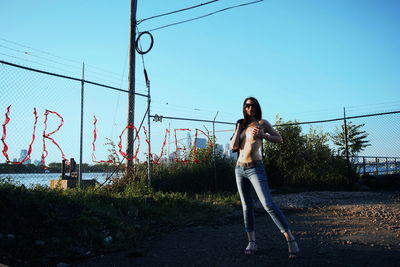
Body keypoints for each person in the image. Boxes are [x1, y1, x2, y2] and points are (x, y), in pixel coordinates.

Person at [230, 96, 299, 258]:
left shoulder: (262, 123)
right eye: (247, 105)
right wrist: (238, 128)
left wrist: (264, 135)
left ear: (257, 107)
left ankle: (290, 239)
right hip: (239, 169)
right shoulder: (241, 124)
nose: (250, 108)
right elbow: (234, 146)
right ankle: (252, 242)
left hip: (255, 168)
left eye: (253, 105)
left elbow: (279, 139)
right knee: (246, 206)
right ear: (244, 107)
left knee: (268, 204)